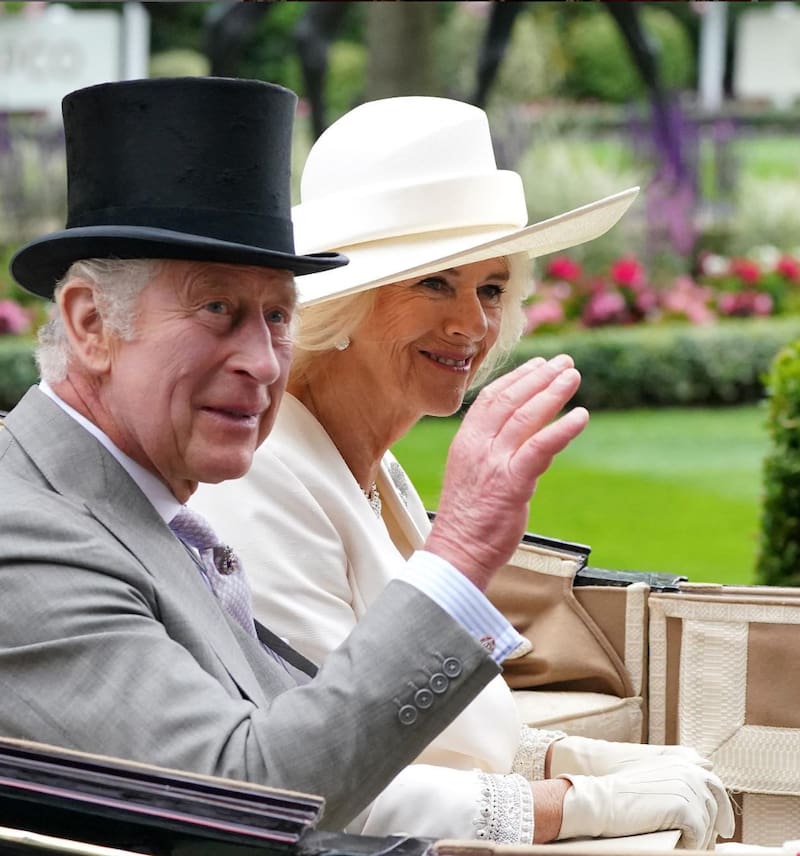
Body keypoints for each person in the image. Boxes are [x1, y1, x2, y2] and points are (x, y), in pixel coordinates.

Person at [192, 97, 734, 847]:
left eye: (491, 287)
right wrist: (576, 804)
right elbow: (316, 780)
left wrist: (580, 760)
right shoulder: (256, 478)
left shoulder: (373, 470)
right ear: (342, 305)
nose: (473, 325)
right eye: (435, 283)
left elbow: (437, 729)